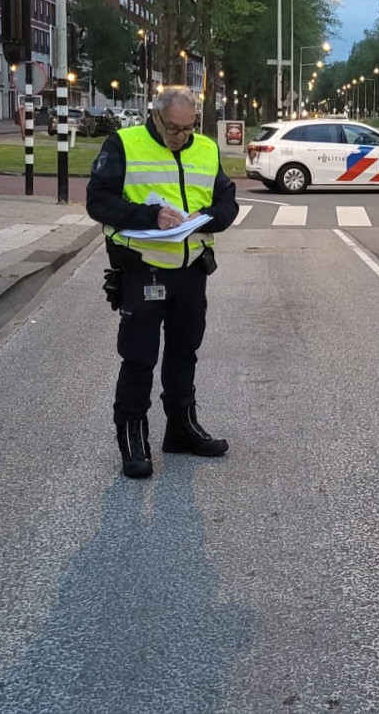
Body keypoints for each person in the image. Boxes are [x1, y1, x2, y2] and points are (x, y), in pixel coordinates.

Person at [86, 86, 240, 479]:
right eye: (174, 129)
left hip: (190, 269)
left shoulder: (205, 149)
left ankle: (181, 428)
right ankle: (134, 438)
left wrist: (211, 217)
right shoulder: (124, 144)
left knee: (184, 351)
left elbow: (227, 199)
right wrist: (149, 216)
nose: (182, 137)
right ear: (154, 117)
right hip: (143, 267)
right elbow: (98, 202)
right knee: (139, 356)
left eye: (189, 129)